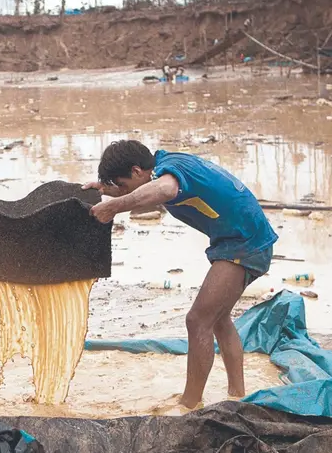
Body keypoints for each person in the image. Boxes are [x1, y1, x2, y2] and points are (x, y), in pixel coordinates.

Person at [83, 140, 278, 410]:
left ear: (138, 170)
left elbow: (164, 189)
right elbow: (147, 190)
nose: (124, 192)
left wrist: (115, 206)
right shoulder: (167, 164)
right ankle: (238, 395)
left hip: (246, 244)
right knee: (219, 319)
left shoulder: (170, 173)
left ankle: (189, 405)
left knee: (198, 320)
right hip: (239, 240)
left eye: (124, 185)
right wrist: (106, 190)